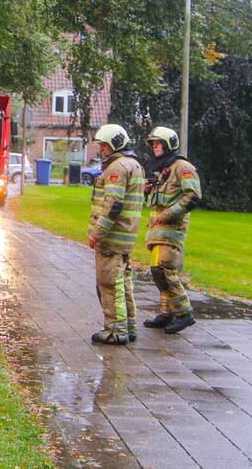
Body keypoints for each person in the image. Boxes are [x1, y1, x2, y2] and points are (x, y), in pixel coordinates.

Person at [87, 124, 145, 345]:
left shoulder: (116, 168)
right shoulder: (135, 165)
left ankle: (115, 330)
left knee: (109, 282)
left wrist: (97, 233)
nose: (102, 149)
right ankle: (129, 325)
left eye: (104, 145)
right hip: (127, 236)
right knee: (124, 283)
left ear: (116, 144)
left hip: (112, 237)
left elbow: (113, 204)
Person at [143, 126, 201, 334]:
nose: (155, 147)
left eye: (158, 143)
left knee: (165, 269)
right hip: (157, 230)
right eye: (153, 144)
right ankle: (166, 312)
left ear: (169, 144)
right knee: (158, 271)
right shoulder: (163, 168)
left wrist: (169, 214)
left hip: (172, 229)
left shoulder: (182, 167)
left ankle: (184, 313)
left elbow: (193, 196)